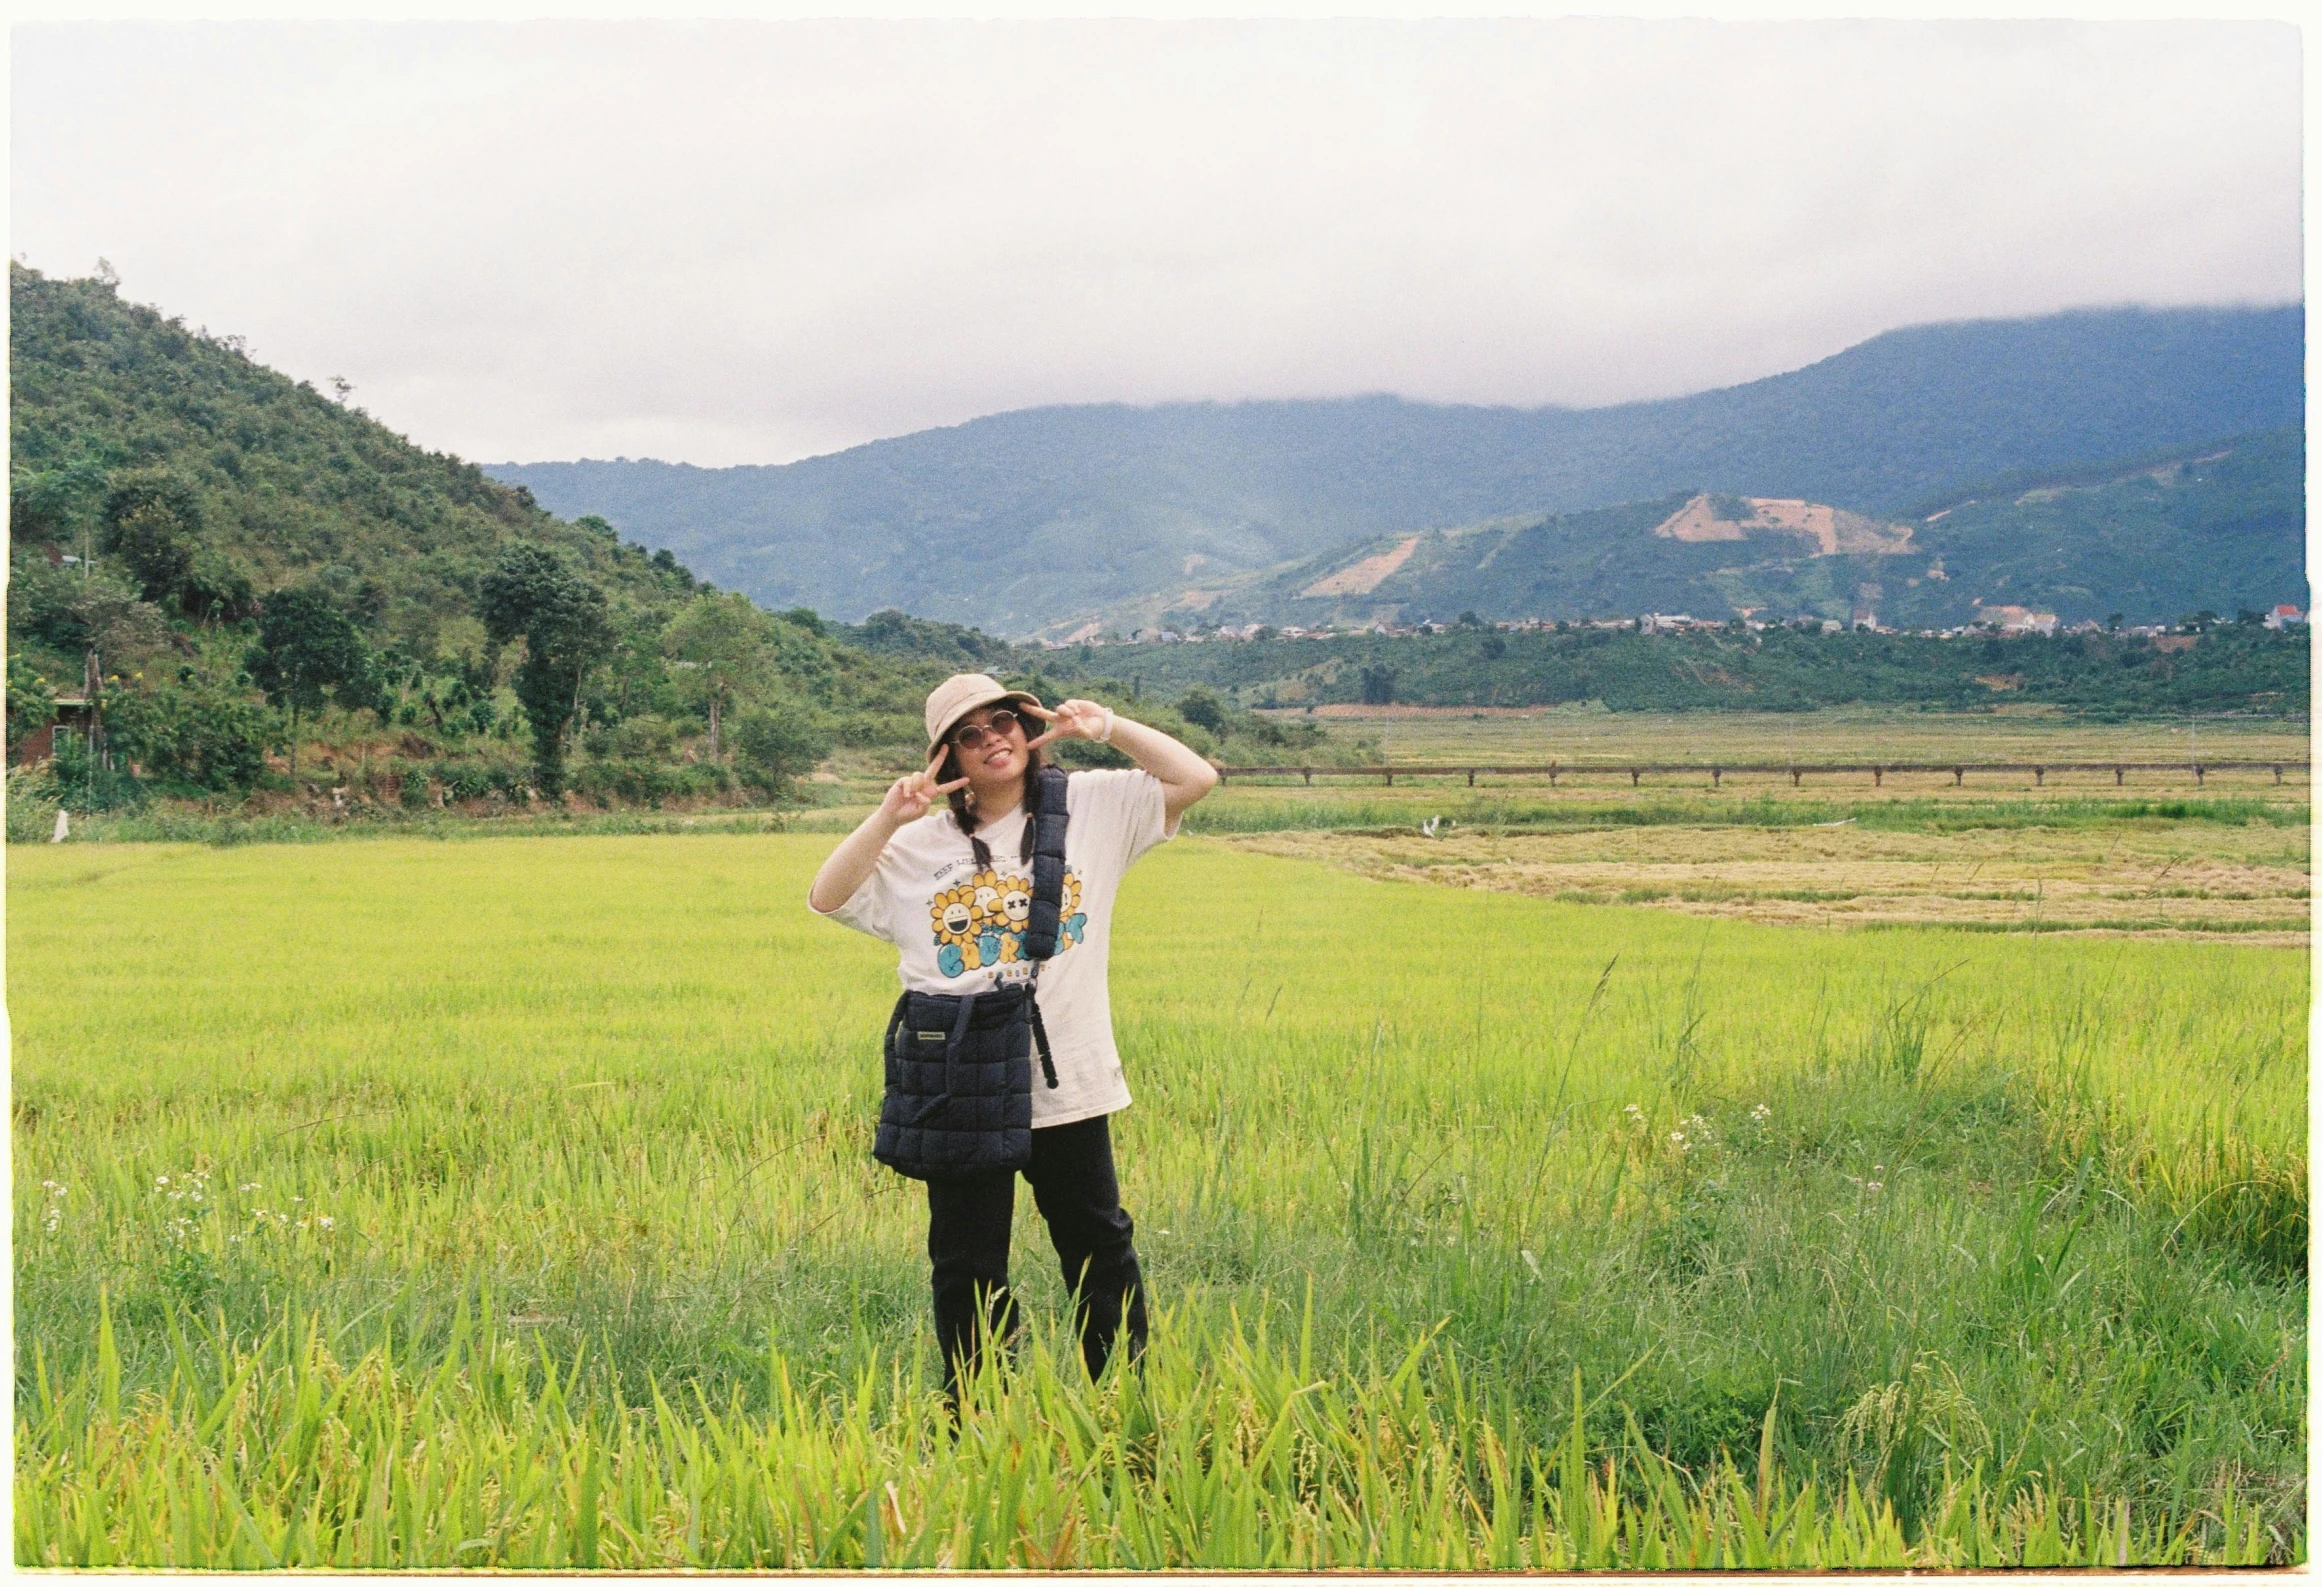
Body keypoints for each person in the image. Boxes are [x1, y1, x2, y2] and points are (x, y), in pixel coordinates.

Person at [808, 673, 1219, 1400]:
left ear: (1028, 726)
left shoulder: (1091, 807)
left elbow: (1196, 776)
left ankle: (1122, 1398)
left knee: (1097, 1244)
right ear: (948, 759)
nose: (993, 737)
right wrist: (887, 814)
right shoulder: (914, 846)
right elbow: (827, 895)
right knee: (967, 1263)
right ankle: (974, 1412)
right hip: (961, 1082)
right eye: (970, 733)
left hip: (1066, 1073)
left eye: (1003, 719)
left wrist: (1107, 724)